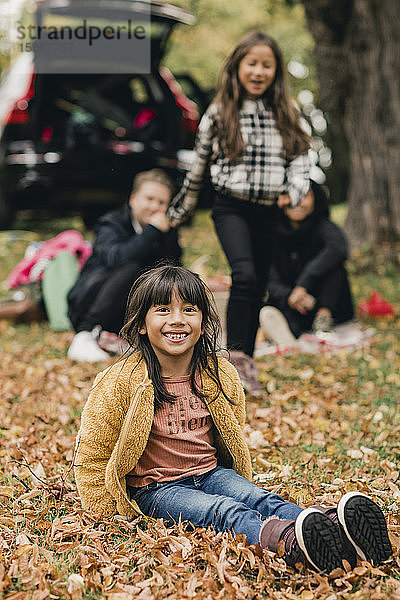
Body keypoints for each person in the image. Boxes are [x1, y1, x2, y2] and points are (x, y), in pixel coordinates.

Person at [74, 264, 392, 574]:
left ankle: (335, 530)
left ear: (202, 321)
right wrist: (102, 511)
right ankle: (289, 542)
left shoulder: (218, 372)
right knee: (224, 511)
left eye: (188, 310)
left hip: (211, 473)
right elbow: (93, 450)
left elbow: (232, 428)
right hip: (159, 489)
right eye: (162, 310)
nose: (177, 320)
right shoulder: (121, 380)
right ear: (141, 323)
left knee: (259, 497)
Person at [167, 31, 311, 394]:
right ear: (237, 67)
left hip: (269, 212)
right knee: (244, 276)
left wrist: (292, 194)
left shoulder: (288, 113)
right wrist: (181, 208)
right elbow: (198, 167)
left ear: (276, 72)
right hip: (230, 207)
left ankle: (245, 361)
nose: (259, 71)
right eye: (252, 64)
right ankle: (232, 361)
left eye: (267, 65)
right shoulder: (220, 112)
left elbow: (301, 161)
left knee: (258, 285)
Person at [67, 169, 181, 362]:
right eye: (150, 199)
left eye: (161, 203)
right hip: (88, 303)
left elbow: (174, 268)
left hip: (125, 310)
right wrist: (151, 232)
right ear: (133, 199)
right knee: (134, 266)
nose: (155, 207)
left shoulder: (165, 229)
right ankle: (85, 335)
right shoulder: (111, 224)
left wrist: (167, 236)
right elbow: (117, 258)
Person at [260, 181, 354, 346]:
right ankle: (283, 331)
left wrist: (304, 284)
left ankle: (323, 321)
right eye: (291, 196)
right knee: (274, 306)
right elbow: (270, 277)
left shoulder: (323, 226)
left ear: (315, 199)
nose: (297, 202)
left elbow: (339, 249)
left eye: (304, 196)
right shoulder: (271, 232)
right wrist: (291, 296)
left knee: (334, 265)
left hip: (325, 301)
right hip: (292, 302)